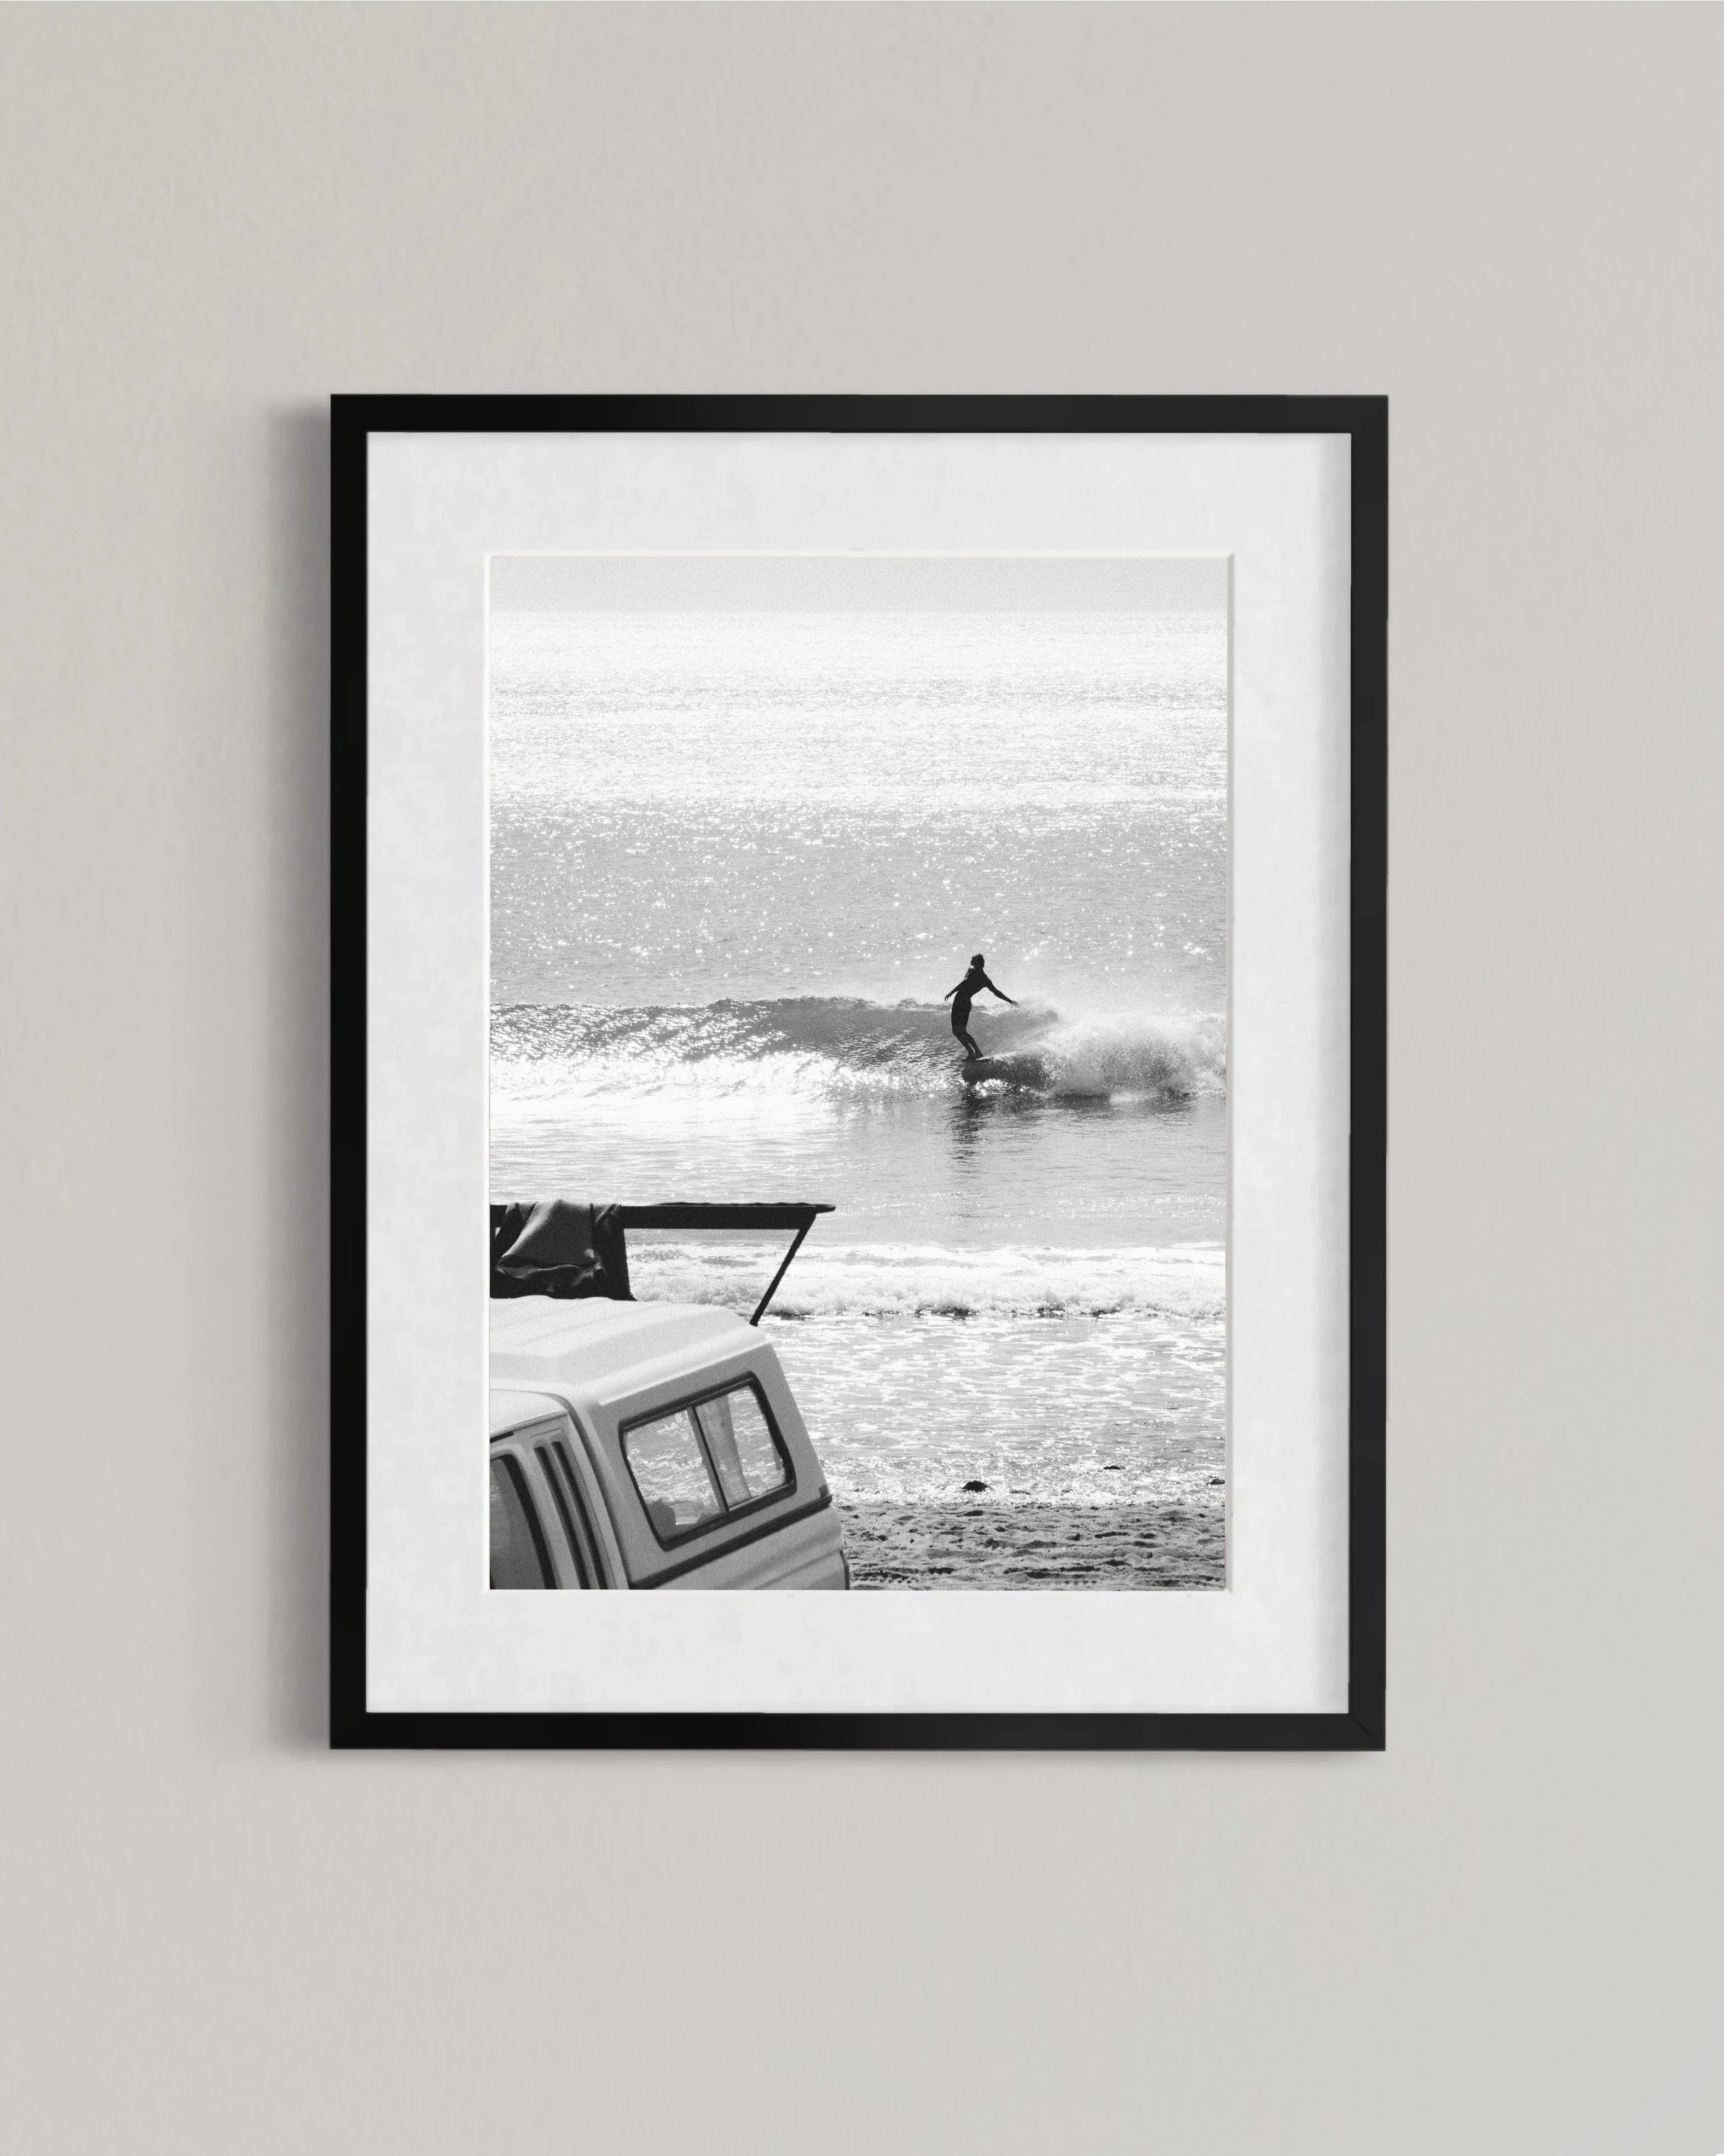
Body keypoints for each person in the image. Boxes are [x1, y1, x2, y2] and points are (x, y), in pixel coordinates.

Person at [943, 952, 1017, 1060]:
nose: (971, 964)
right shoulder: (985, 980)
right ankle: (977, 1052)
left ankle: (971, 1053)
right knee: (963, 1030)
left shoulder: (972, 970)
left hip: (960, 1001)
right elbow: (996, 992)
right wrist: (1010, 1001)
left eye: (972, 962)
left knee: (956, 1031)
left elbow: (965, 982)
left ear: (977, 963)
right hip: (967, 1003)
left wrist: (952, 992)